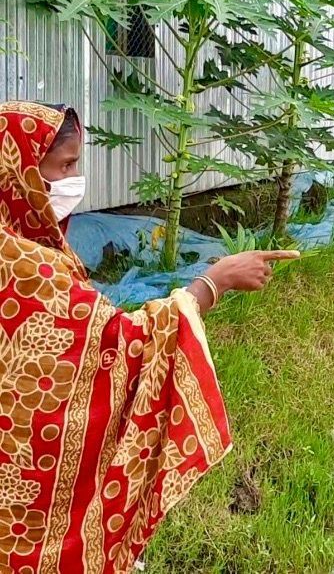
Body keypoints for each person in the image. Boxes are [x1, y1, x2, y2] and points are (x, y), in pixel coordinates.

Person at [0, 101, 298, 573]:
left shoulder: (24, 246)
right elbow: (118, 346)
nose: (76, 180)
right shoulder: (24, 269)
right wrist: (214, 282)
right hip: (23, 515)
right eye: (67, 165)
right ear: (21, 173)